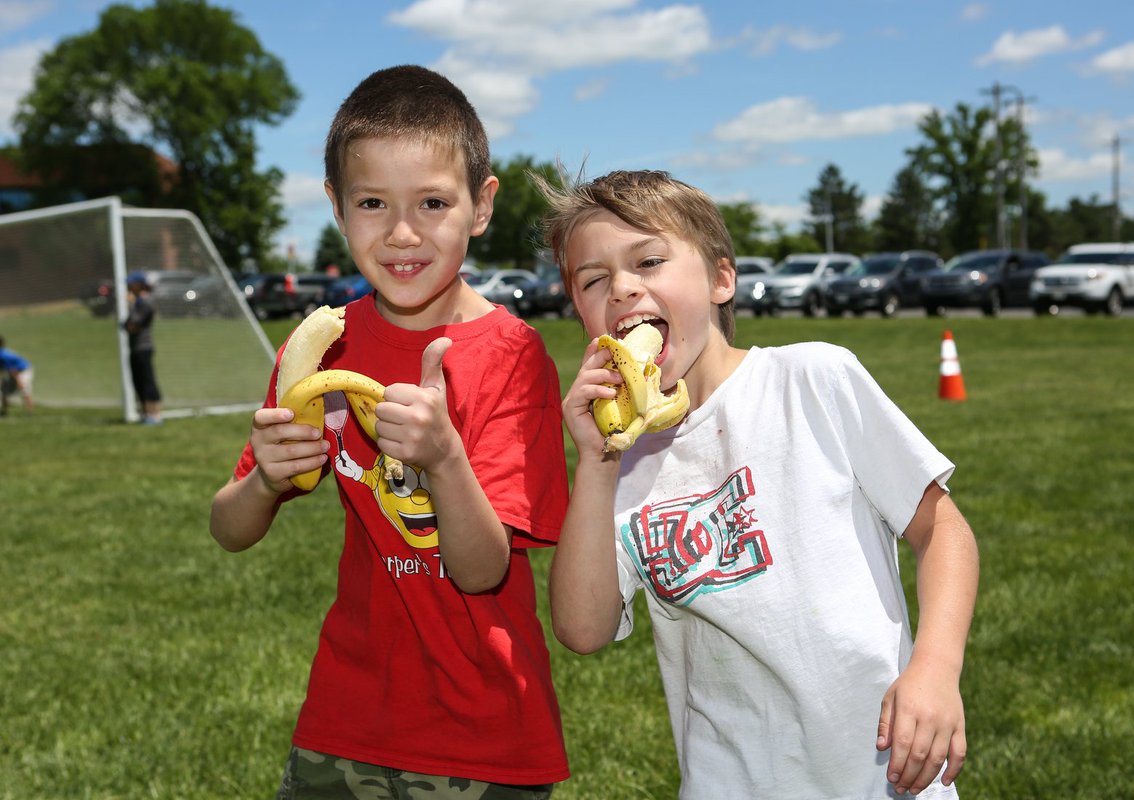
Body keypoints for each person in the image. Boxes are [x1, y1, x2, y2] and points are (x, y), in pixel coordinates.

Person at [537, 169, 979, 799]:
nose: (624, 289)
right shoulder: (622, 464)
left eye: (650, 261)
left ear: (721, 279)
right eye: (594, 280)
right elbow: (583, 630)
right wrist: (598, 461)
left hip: (881, 773)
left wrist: (936, 669)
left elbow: (943, 530)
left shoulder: (814, 379)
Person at [209, 65, 570, 799]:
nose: (402, 233)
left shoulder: (513, 357)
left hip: (484, 731)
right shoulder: (321, 348)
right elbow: (229, 527)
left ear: (480, 206)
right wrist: (266, 478)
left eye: (433, 202)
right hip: (345, 715)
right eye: (373, 203)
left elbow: (482, 569)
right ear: (338, 208)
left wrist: (443, 458)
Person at [124, 271, 163, 424]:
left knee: (147, 381)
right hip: (135, 347)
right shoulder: (137, 301)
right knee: (138, 381)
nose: (128, 286)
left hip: (143, 347)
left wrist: (129, 308)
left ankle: (155, 414)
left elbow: (132, 325)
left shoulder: (145, 302)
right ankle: (145, 413)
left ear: (139, 285)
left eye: (131, 283)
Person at [0, 334, 34, 415]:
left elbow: (13, 370)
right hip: (14, 372)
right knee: (3, 390)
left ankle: (29, 412)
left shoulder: (4, 355)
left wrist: (19, 382)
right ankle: (4, 412)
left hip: (23, 371)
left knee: (24, 390)